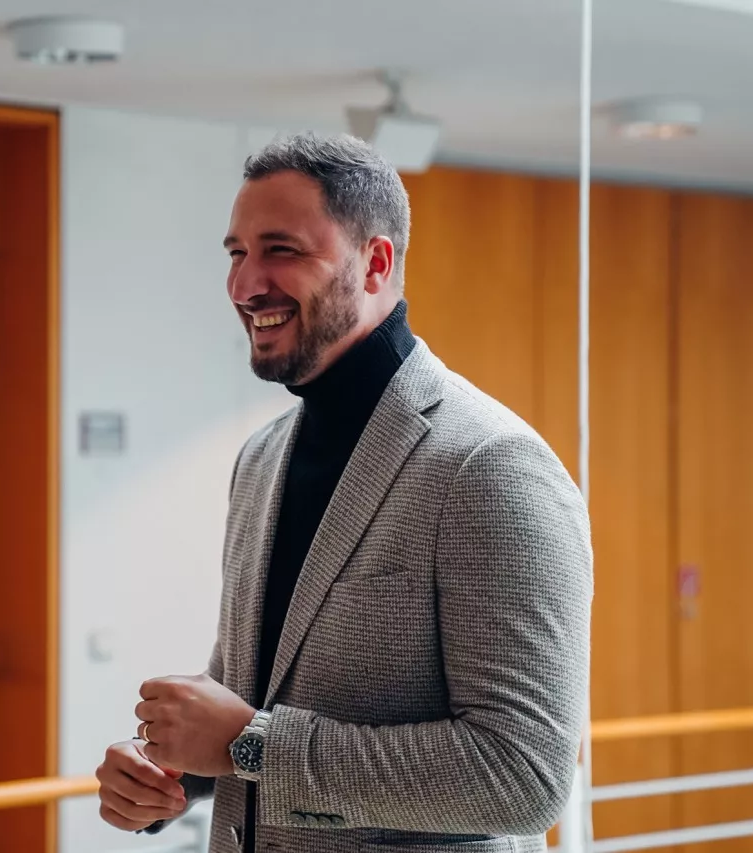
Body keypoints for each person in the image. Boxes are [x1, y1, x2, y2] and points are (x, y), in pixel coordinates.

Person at [94, 132, 593, 853]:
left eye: (281, 250)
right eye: (236, 253)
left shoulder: (491, 466)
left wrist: (248, 744)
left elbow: (522, 776)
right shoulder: (261, 457)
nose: (244, 285)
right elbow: (251, 692)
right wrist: (170, 767)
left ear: (376, 263)